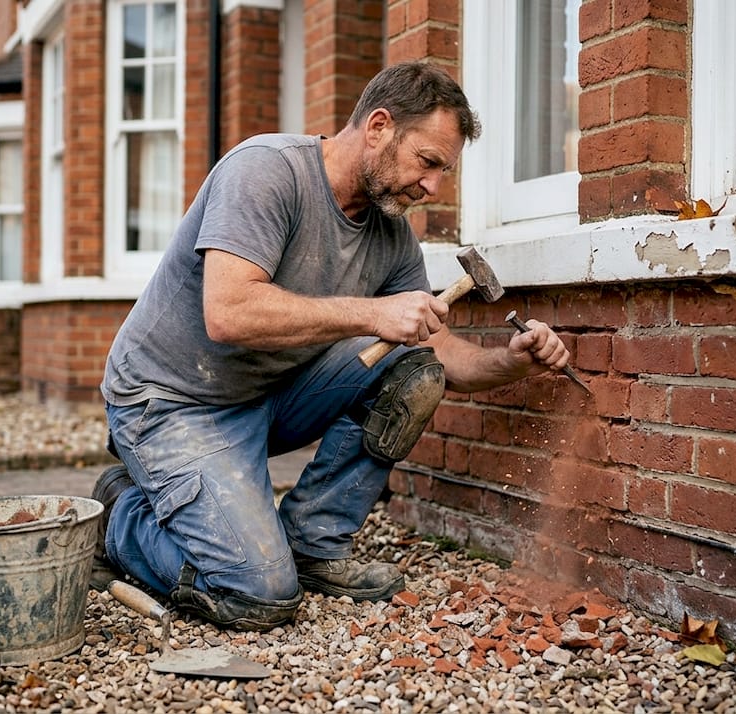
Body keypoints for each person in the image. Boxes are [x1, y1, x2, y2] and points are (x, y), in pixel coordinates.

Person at [96, 61, 573, 631]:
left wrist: (511, 361)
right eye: (427, 163)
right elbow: (228, 313)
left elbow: (444, 358)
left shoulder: (390, 233)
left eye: (443, 172)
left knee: (413, 370)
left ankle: (314, 542)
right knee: (258, 595)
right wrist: (374, 312)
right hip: (172, 402)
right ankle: (118, 514)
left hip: (267, 396)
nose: (432, 187)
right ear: (378, 127)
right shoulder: (265, 173)